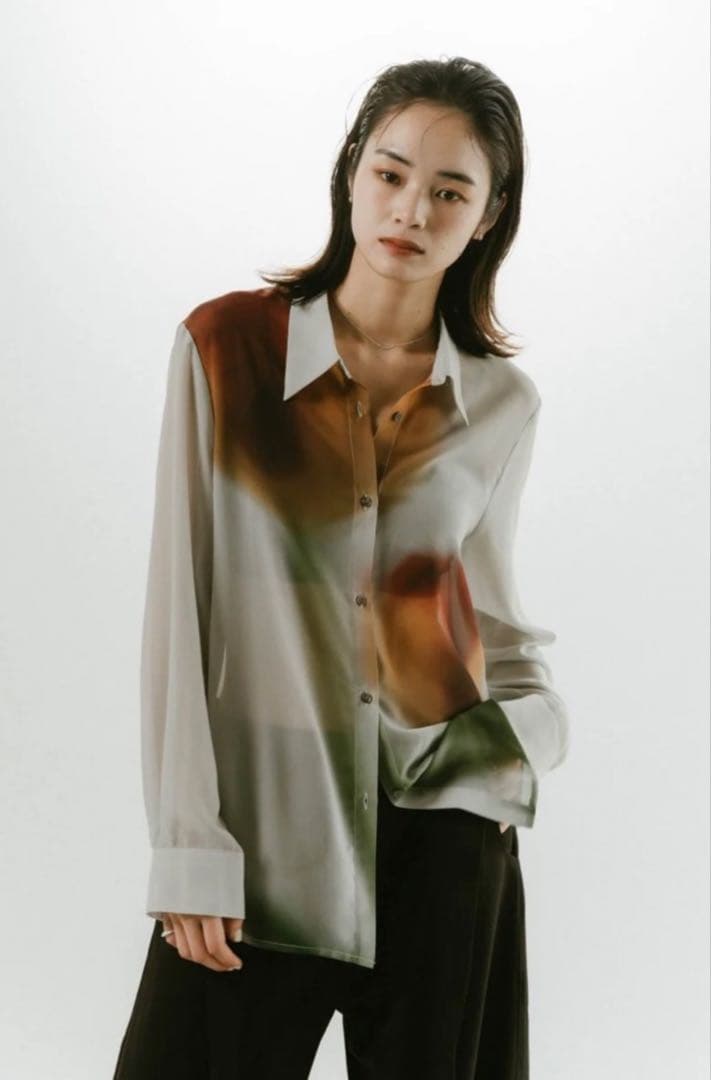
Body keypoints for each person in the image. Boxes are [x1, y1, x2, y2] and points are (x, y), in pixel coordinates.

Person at [112, 55, 570, 1080]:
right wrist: (188, 843)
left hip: (444, 841)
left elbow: (491, 621)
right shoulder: (227, 349)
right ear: (352, 170)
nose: (411, 209)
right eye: (392, 173)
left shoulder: (500, 403)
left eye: (449, 191)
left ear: (488, 216)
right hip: (264, 836)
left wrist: (527, 737)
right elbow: (180, 607)